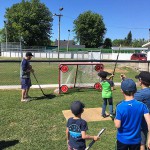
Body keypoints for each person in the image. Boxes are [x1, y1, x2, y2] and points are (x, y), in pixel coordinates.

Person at [114, 78, 150, 150]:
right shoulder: (142, 105)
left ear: (122, 91)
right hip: (136, 140)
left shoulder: (120, 106)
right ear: (135, 90)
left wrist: (115, 118)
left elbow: (117, 125)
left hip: (122, 140)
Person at [134, 71, 150, 150]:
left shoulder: (140, 94)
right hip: (148, 120)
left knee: (141, 143)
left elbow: (129, 98)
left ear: (140, 80)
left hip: (142, 121)